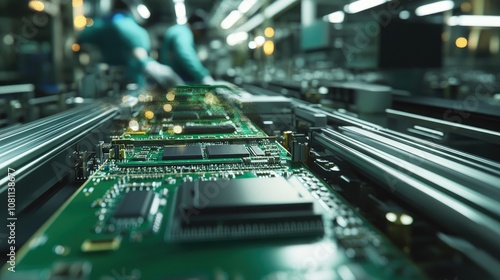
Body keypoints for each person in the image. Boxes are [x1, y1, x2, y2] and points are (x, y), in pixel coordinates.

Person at [77, 0, 183, 89]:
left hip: (107, 86)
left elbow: (80, 40)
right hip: (134, 85)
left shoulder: (100, 26)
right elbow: (140, 56)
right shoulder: (138, 31)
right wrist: (152, 65)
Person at [160, 10, 214, 85]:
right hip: (176, 81)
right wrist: (203, 76)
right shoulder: (183, 32)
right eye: (201, 32)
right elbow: (185, 54)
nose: (199, 35)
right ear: (197, 28)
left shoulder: (177, 30)